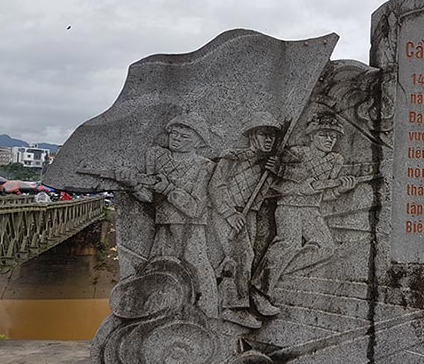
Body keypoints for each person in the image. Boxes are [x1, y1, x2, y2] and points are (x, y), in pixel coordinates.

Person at [250, 112, 356, 315]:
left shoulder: (336, 160)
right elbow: (277, 186)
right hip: (289, 206)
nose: (329, 139)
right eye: (324, 134)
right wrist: (295, 180)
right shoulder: (296, 153)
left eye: (333, 136)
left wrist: (340, 189)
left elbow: (325, 194)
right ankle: (259, 290)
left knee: (326, 247)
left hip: (312, 209)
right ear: (312, 135)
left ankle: (276, 274)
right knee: (288, 243)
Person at [116, 112, 218, 319]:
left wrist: (169, 189)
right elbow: (148, 199)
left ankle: (210, 314)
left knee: (198, 266)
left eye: (185, 136)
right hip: (163, 226)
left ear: (199, 141)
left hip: (192, 228)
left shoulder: (205, 166)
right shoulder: (157, 157)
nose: (177, 139)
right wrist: (132, 185)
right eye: (174, 134)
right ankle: (160, 315)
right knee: (158, 269)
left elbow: (196, 207)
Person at [209, 111, 282, 328]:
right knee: (242, 256)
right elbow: (217, 186)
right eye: (263, 134)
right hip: (229, 212)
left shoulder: (266, 164)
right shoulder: (232, 157)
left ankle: (235, 299)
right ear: (252, 136)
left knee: (244, 258)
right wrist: (229, 213)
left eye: (272, 136)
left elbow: (268, 193)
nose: (269, 139)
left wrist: (277, 173)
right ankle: (234, 308)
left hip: (249, 213)